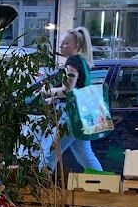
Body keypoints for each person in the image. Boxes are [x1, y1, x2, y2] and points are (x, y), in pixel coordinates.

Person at [43, 27, 104, 172]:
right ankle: (104, 182)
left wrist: (46, 92)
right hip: (83, 116)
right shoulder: (82, 62)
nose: (61, 45)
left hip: (71, 116)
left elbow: (67, 90)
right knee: (85, 156)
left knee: (49, 154)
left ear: (77, 46)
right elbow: (76, 90)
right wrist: (53, 98)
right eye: (62, 42)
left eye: (66, 43)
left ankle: (40, 182)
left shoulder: (72, 62)